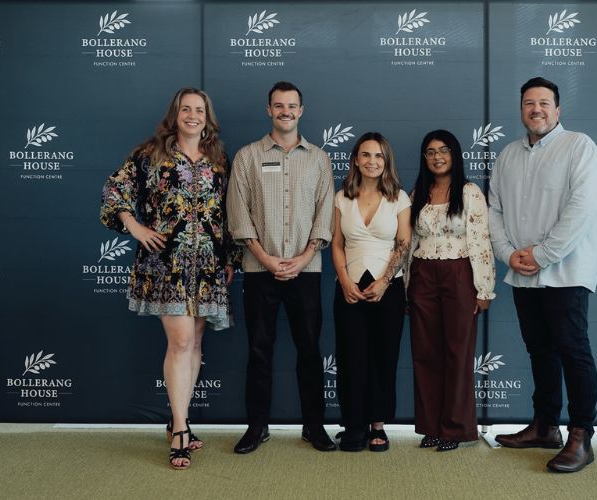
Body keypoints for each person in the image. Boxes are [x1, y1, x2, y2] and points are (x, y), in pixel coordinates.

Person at [100, 87, 237, 470]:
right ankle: (179, 428)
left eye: (200, 110)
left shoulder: (218, 159)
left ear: (208, 117)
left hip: (208, 265)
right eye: (186, 109)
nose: (193, 115)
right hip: (166, 265)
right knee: (179, 342)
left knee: (194, 344)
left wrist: (231, 257)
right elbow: (115, 191)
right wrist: (135, 227)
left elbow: (228, 213)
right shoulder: (149, 154)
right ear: (175, 114)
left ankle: (181, 419)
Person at [487, 77, 597, 473]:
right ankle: (544, 426)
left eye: (543, 103)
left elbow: (581, 209)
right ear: (521, 109)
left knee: (573, 350)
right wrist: (508, 255)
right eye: (528, 103)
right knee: (540, 350)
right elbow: (495, 212)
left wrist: (542, 255)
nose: (535, 109)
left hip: (565, 273)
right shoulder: (506, 155)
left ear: (558, 110)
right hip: (521, 273)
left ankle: (581, 435)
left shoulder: (580, 147)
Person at [226, 81, 339, 454]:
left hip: (307, 271)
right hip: (260, 271)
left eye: (292, 106)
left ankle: (314, 426)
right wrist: (267, 258)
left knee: (309, 350)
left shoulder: (319, 159)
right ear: (269, 110)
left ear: (301, 111)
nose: (285, 111)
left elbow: (325, 216)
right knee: (259, 350)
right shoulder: (247, 157)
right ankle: (257, 427)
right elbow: (238, 216)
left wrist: (305, 257)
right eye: (278, 106)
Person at [406, 129, 492, 452]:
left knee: (457, 354)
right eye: (430, 152)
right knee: (425, 353)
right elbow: (409, 243)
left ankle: (454, 429)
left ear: (454, 154)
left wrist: (483, 289)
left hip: (459, 274)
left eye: (443, 150)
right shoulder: (418, 194)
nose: (437, 157)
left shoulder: (469, 192)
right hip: (423, 275)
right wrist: (405, 286)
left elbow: (481, 242)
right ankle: (431, 426)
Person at [329, 132, 412, 453]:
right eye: (365, 155)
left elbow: (403, 244)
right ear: (355, 160)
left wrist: (385, 280)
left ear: (386, 161)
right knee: (350, 357)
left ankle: (377, 425)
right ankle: (353, 425)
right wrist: (345, 280)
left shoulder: (399, 198)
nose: (372, 161)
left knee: (383, 356)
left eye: (378, 156)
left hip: (387, 287)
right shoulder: (342, 197)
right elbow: (337, 244)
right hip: (348, 286)